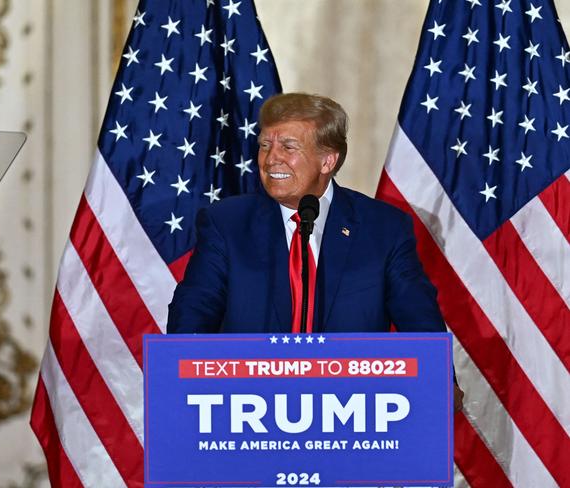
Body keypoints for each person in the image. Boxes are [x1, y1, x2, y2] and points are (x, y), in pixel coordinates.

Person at [167, 92, 463, 407]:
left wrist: (438, 379)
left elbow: (418, 318)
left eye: (288, 147)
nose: (271, 159)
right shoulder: (226, 224)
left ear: (328, 160)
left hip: (354, 412)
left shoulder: (383, 228)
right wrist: (182, 379)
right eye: (265, 145)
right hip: (246, 409)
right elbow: (194, 313)